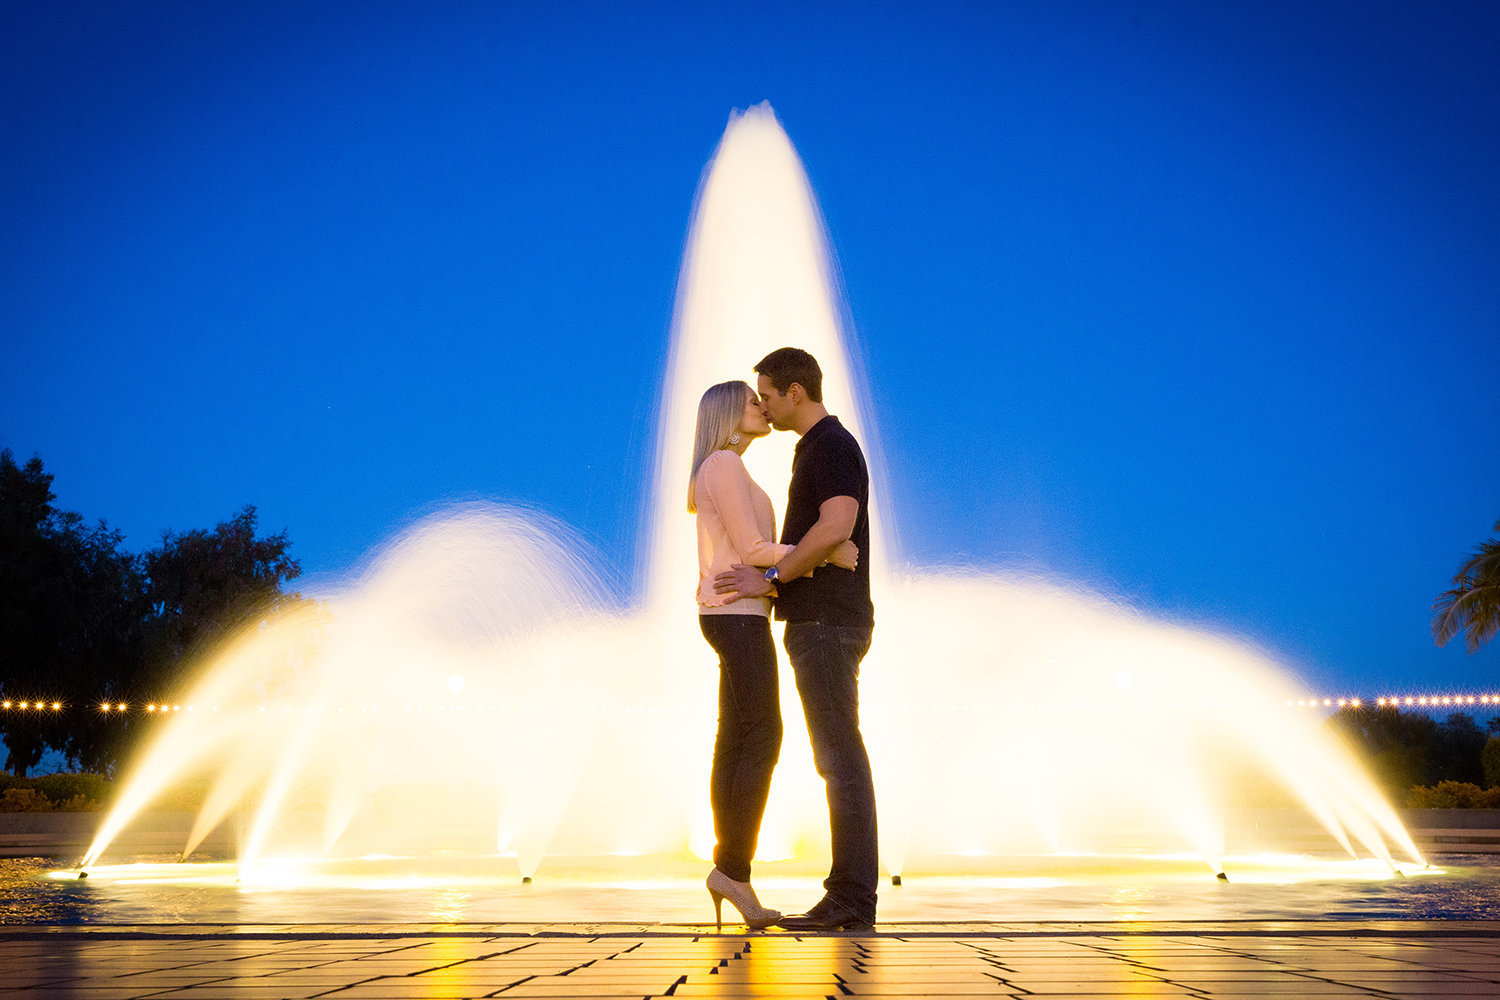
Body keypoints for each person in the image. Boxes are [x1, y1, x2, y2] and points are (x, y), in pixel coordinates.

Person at [714, 347, 879, 931]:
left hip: (829, 623)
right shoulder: (817, 448)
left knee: (839, 758)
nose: (763, 404)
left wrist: (772, 576)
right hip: (820, 622)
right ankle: (850, 894)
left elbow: (836, 526)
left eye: (767, 393)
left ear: (795, 393)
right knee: (836, 756)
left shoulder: (831, 445)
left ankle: (853, 899)